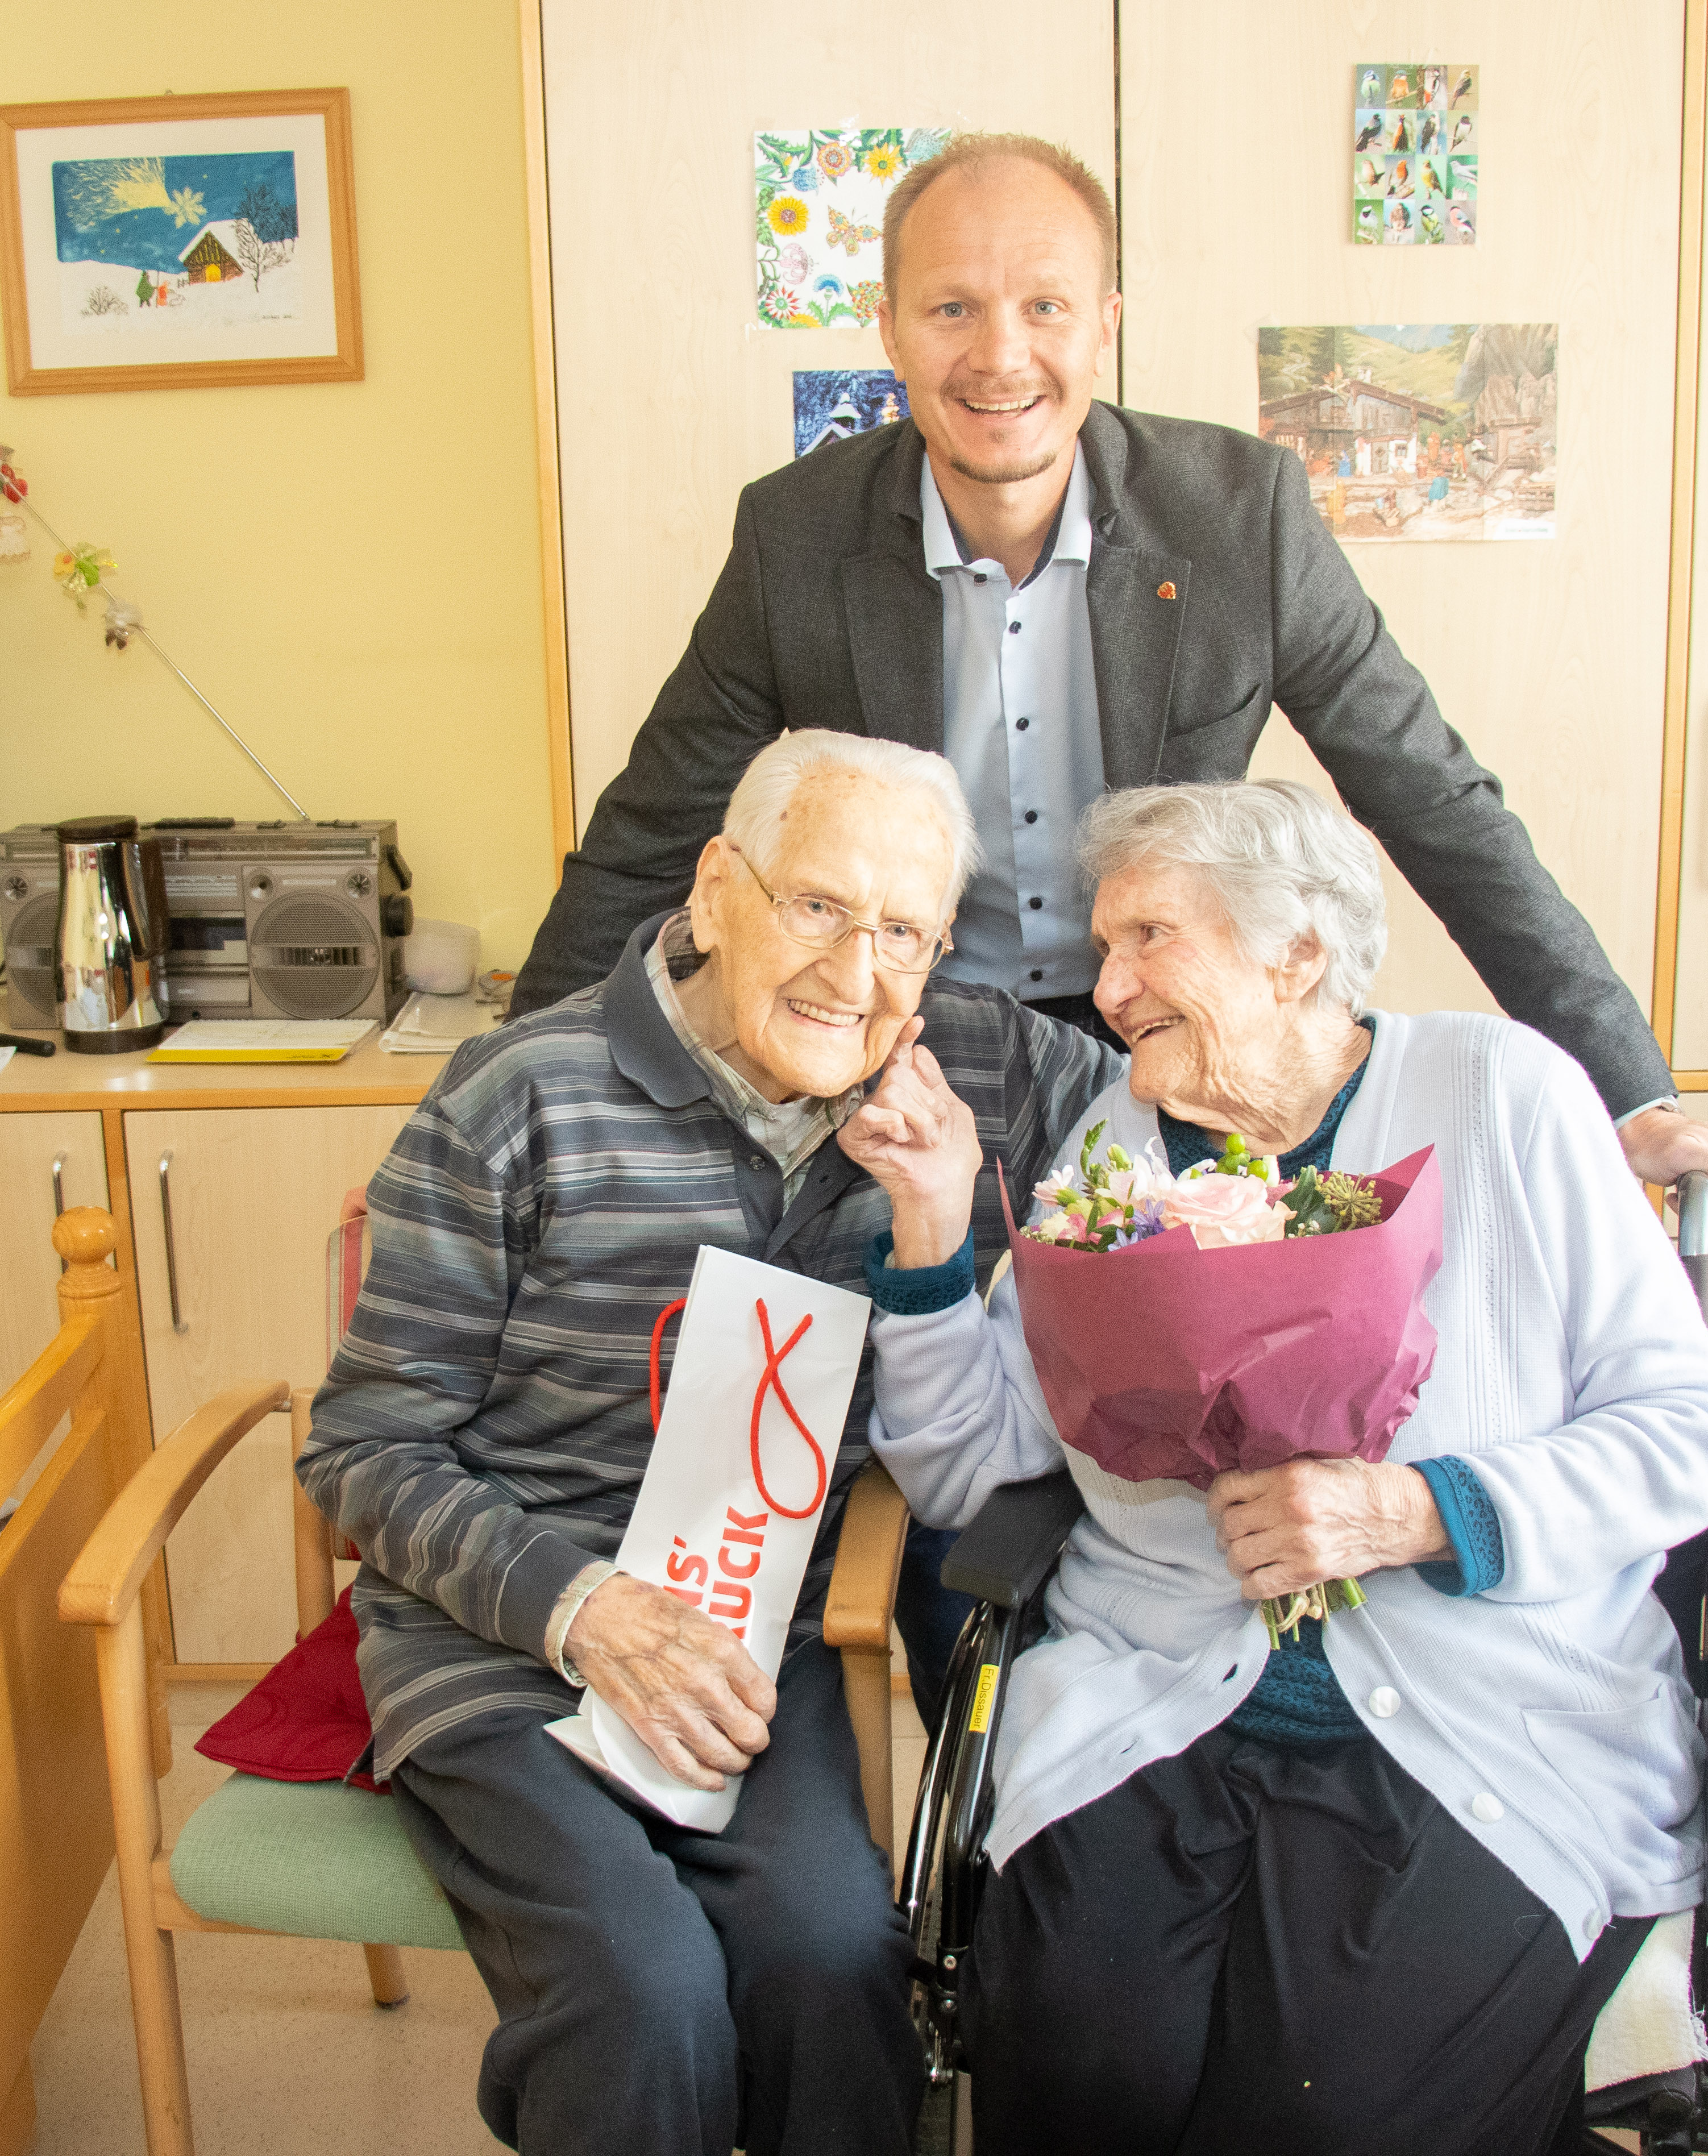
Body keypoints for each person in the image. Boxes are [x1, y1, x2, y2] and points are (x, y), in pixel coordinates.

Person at [505, 129, 1708, 1225]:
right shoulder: (796, 536)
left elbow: (1435, 802)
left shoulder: (1240, 520)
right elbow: (646, 841)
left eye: (1044, 306)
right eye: (951, 309)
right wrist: (487, 1124)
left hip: (1175, 1039)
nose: (1001, 356)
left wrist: (1628, 1091)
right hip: (904, 1043)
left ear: (1104, 321)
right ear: (886, 329)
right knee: (912, 1404)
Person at [840, 779, 1708, 2156]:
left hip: (1482, 1718)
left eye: (1148, 937)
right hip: (1155, 1698)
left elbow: (1683, 1429)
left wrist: (1418, 1510)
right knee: (1081, 2070)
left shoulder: (1507, 1095)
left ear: (1297, 954)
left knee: (1326, 2118)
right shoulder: (1112, 1157)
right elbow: (980, 1467)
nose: (1110, 985)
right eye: (1103, 949)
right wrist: (924, 1228)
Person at [300, 731, 1111, 2156]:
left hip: (754, 1632)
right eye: (816, 907)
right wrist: (586, 1610)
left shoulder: (969, 1063)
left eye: (903, 932)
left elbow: (1188, 1124)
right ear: (716, 888)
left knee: (834, 1963)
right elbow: (365, 1446)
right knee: (642, 1989)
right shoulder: (516, 1095)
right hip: (501, 1638)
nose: (856, 976)